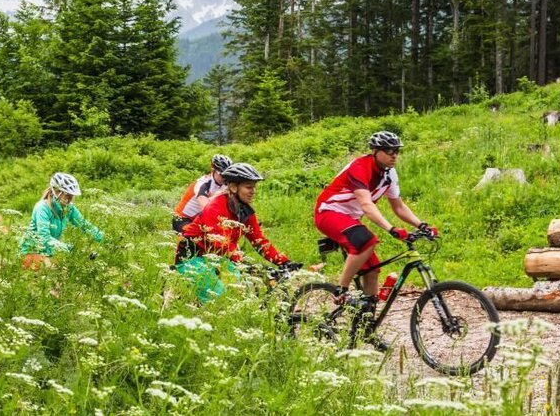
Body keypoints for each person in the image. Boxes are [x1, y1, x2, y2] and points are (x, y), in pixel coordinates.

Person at [314, 131, 438, 349]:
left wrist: (421, 225)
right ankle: (341, 290)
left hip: (350, 217)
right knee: (367, 241)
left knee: (372, 271)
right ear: (376, 152)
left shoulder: (390, 174)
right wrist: (391, 229)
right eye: (390, 151)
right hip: (329, 212)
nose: (394, 155)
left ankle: (366, 329)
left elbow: (398, 207)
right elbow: (367, 205)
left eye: (397, 151)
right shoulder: (359, 167)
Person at [174, 163, 301, 302]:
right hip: (192, 257)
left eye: (254, 187)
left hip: (218, 259)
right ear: (234, 187)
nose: (253, 191)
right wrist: (246, 263)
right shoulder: (215, 206)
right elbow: (220, 243)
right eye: (248, 187)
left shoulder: (245, 210)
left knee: (246, 291)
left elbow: (259, 241)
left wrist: (283, 261)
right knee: (221, 299)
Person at [21, 172, 105, 270]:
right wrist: (69, 248)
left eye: (72, 196)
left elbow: (84, 225)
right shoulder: (42, 208)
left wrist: (105, 240)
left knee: (70, 271)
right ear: (55, 191)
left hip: (49, 251)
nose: (69, 199)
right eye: (67, 195)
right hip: (32, 250)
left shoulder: (68, 208)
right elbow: (44, 237)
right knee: (58, 273)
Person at [171, 154, 233, 234]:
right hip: (183, 219)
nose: (225, 178)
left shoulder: (226, 184)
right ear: (213, 170)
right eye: (222, 174)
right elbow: (206, 207)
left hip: (199, 219)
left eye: (227, 175)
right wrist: (217, 196)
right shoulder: (202, 183)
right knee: (202, 236)